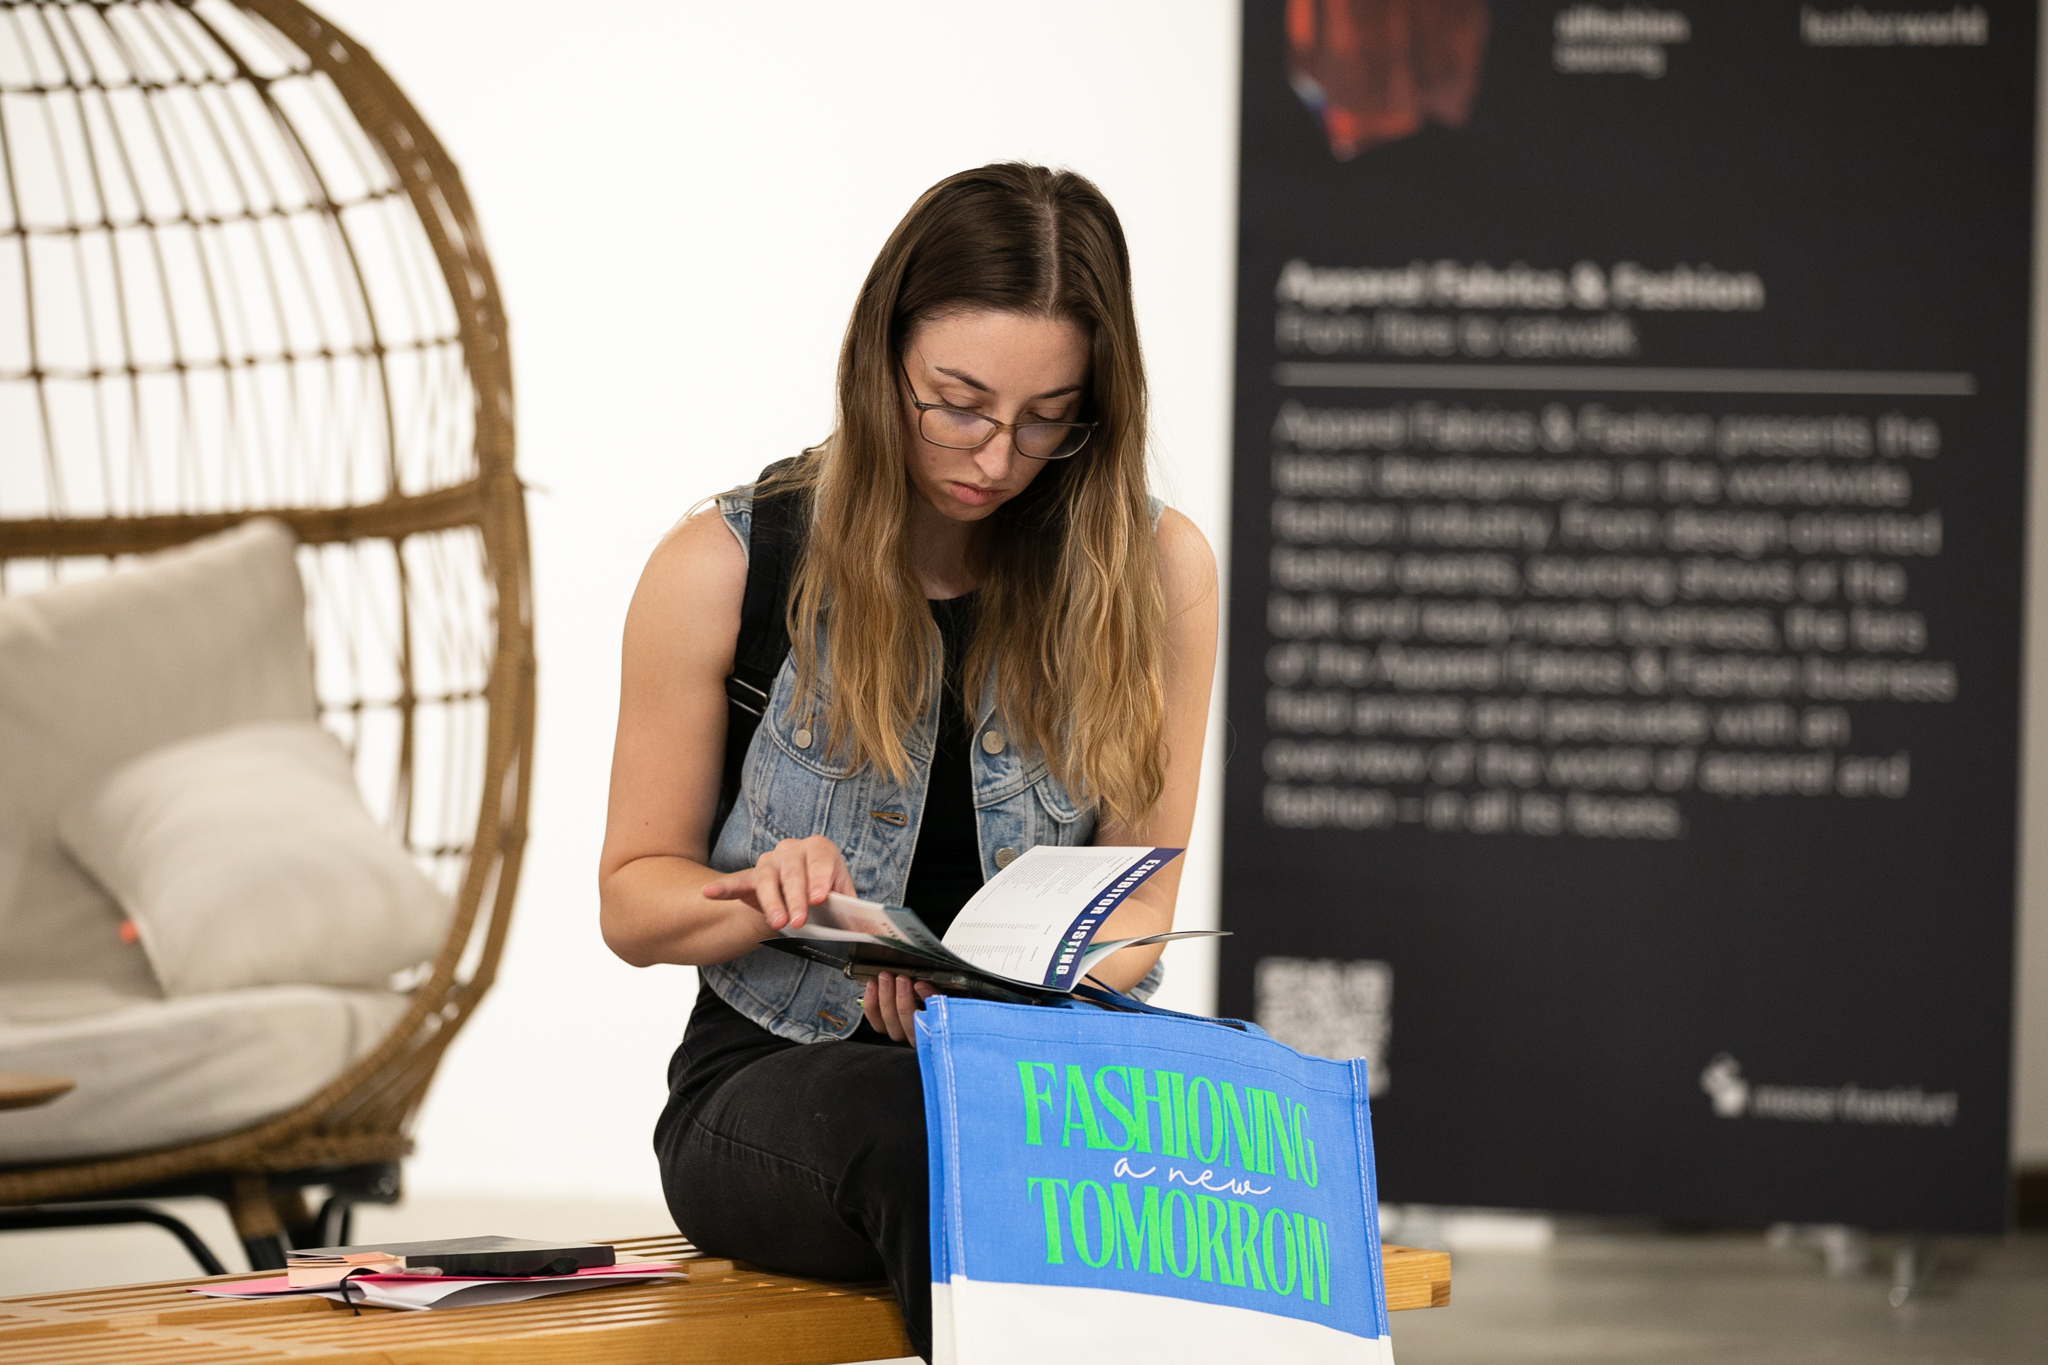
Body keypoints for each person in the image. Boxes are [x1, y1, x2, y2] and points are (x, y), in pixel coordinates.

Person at [597, 162, 1218, 1361]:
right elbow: (632, 896)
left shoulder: (1152, 574)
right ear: (883, 358)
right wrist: (748, 894)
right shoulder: (724, 566)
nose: (994, 455)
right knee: (933, 1128)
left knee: (1192, 1128)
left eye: (1046, 418)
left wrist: (996, 998)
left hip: (1030, 1074)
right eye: (958, 401)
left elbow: (1138, 908)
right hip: (780, 1080)